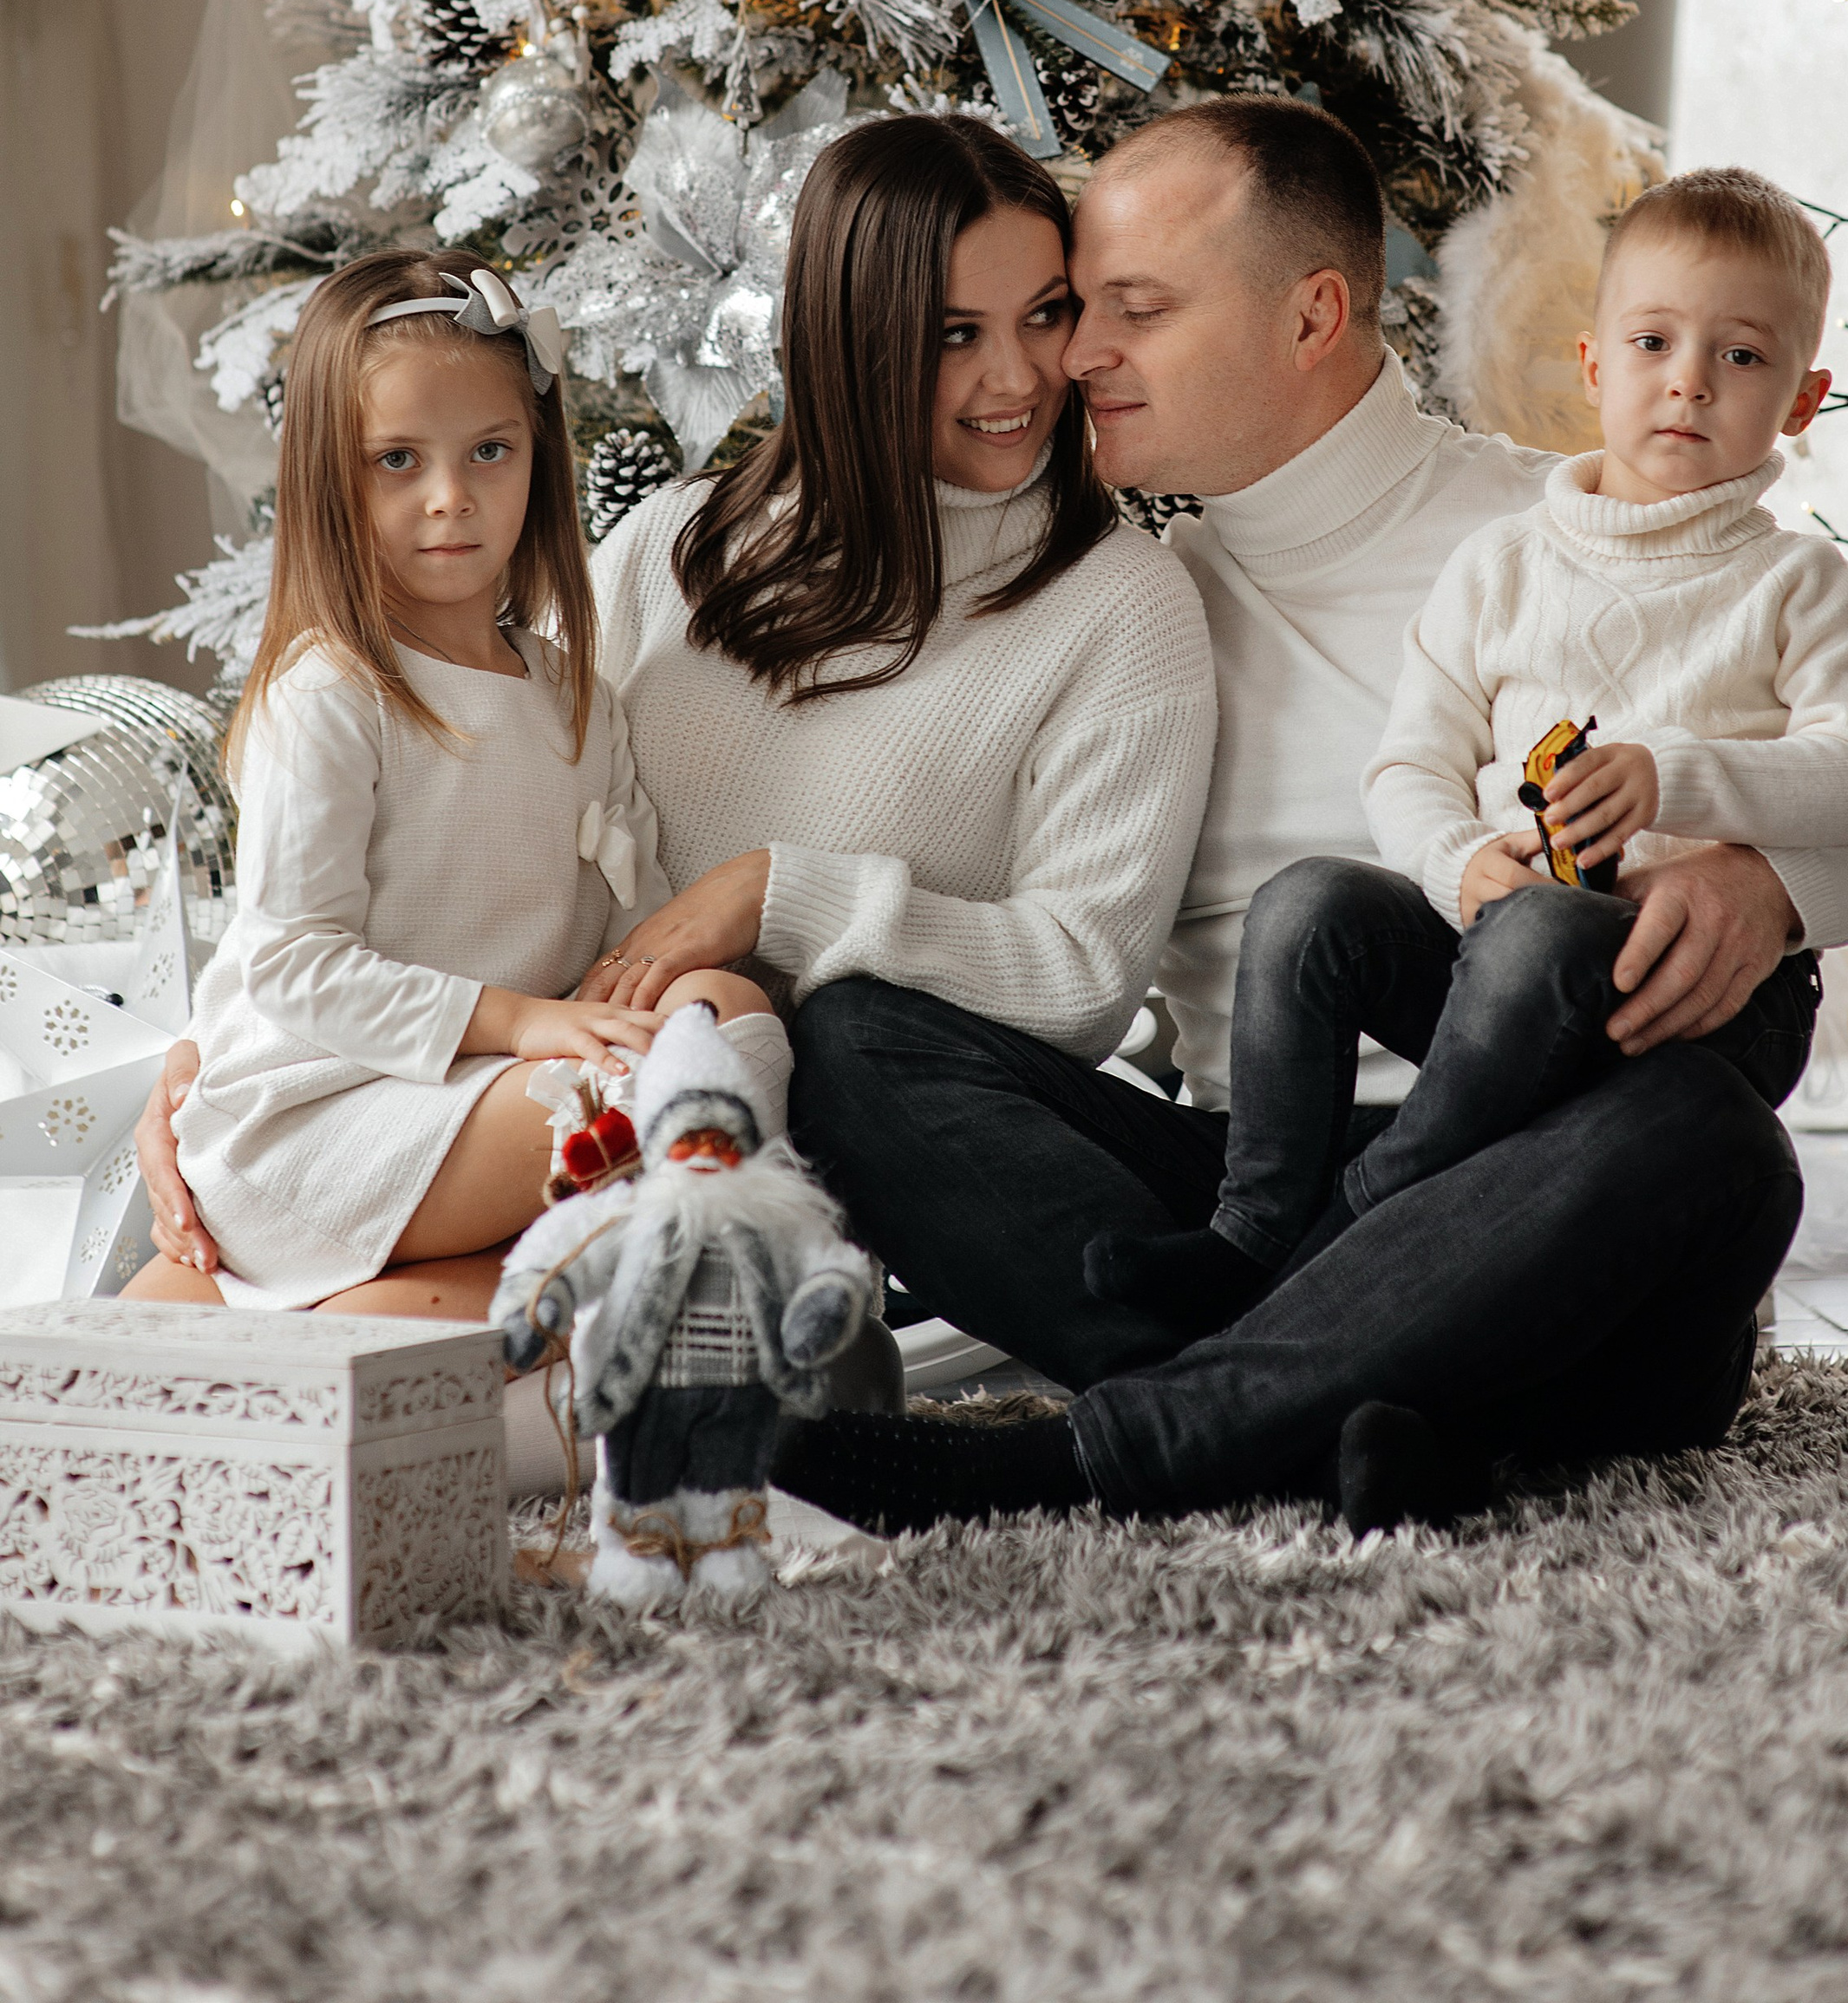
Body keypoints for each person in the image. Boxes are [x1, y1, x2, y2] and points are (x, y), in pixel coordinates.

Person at [767, 96, 1848, 1537]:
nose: (1076, 355)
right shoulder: (1111, 602)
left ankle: (1157, 1435)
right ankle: (1376, 1403)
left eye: (1135, 309)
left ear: (1311, 315)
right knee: (852, 1040)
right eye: (1074, 309)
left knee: (1709, 1136)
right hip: (1256, 1203)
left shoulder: (1553, 530)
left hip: (1543, 1181)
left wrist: (1767, 882)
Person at [134, 117, 1218, 1315]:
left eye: (1045, 314)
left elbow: (1083, 979)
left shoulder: (1119, 604)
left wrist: (778, 893)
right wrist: (209, 1056)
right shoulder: (675, 546)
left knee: (392, 1352)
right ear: (850, 337)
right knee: (127, 1354)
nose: (1015, 378)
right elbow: (420, 841)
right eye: (953, 333)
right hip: (506, 1097)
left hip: (739, 1141)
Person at [1089, 167, 1848, 1334]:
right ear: (1593, 363)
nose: (1688, 380)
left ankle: (1360, 1218)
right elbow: (1409, 769)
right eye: (1653, 342)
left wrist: (1676, 780)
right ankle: (1253, 1229)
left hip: (1699, 1001)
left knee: (1542, 931)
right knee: (1310, 901)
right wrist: (1462, 863)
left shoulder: (1797, 581)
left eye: (1740, 356)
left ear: (1802, 399)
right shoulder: (1503, 560)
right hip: (1502, 962)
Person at [127, 253, 776, 1318]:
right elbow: (290, 963)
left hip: (474, 1096)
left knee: (724, 1016)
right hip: (318, 1119)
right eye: (397, 459)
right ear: (329, 479)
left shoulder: (575, 693)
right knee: (650, 1084)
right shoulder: (330, 692)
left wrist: (648, 998)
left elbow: (637, 934)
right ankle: (573, 1294)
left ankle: (497, 1303)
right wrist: (521, 1022)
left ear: (536, 455)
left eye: (490, 450)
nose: (451, 497)